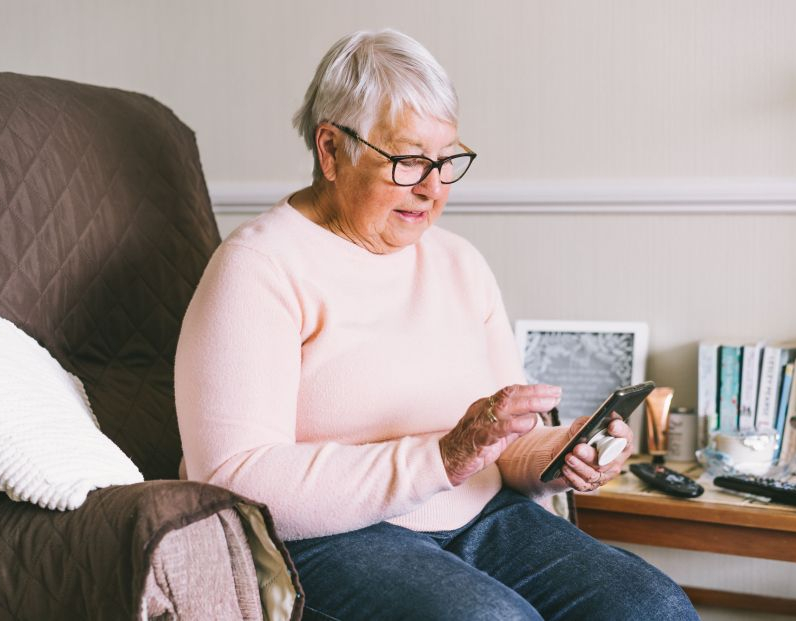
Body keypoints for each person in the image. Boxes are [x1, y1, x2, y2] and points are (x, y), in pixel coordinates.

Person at [175, 29, 699, 621]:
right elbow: (234, 480)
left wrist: (560, 453)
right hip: (330, 538)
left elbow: (504, 448)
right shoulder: (257, 268)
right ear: (331, 149)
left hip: (482, 515)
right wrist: (441, 458)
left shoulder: (458, 262)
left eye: (446, 161)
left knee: (652, 606)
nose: (432, 187)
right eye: (408, 161)